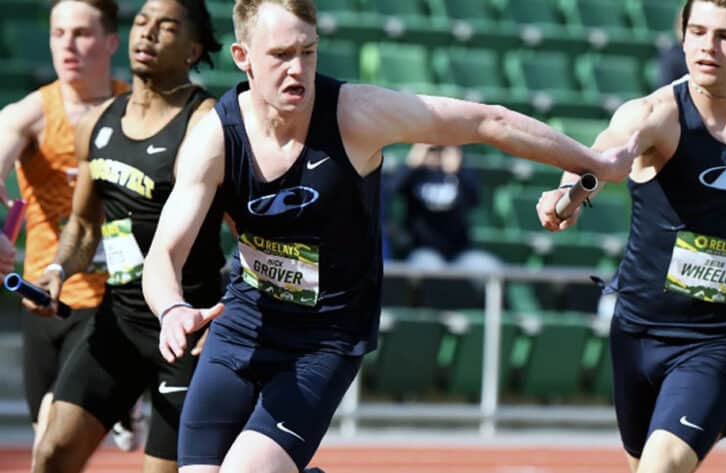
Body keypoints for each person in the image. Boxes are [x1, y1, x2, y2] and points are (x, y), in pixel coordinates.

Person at [140, 1, 639, 472]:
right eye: (280, 56)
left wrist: (590, 162)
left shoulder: (354, 115)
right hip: (241, 330)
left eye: (307, 52)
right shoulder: (216, 136)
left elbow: (488, 121)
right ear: (243, 58)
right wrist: (172, 309)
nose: (297, 69)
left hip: (323, 341)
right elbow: (165, 252)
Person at [535, 1, 726, 472]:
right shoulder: (655, 115)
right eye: (696, 31)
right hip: (637, 329)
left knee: (661, 469)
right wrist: (567, 193)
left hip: (716, 337)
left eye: (725, 36)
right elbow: (599, 156)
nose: (705, 47)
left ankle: (723, 401)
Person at [28, 1, 224, 472]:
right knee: (51, 452)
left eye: (166, 27)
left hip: (183, 330)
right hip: (118, 321)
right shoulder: (97, 122)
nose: (148, 33)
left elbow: (246, 229)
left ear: (193, 49)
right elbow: (85, 224)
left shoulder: (205, 123)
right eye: (141, 22)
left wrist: (231, 306)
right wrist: (59, 269)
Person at [0, 0, 139, 452]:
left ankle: (128, 395)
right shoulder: (29, 114)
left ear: (111, 42)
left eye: (81, 33)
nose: (68, 45)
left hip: (114, 300)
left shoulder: (137, 113)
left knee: (51, 439)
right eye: (58, 33)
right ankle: (125, 404)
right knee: (48, 445)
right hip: (45, 296)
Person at [387, 143, 500, 271]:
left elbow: (475, 200)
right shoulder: (416, 174)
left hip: (460, 250)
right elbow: (391, 191)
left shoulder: (460, 174)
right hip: (422, 249)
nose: (437, 154)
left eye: (442, 149)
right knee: (429, 267)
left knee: (489, 267)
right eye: (432, 150)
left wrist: (458, 171)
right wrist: (412, 163)